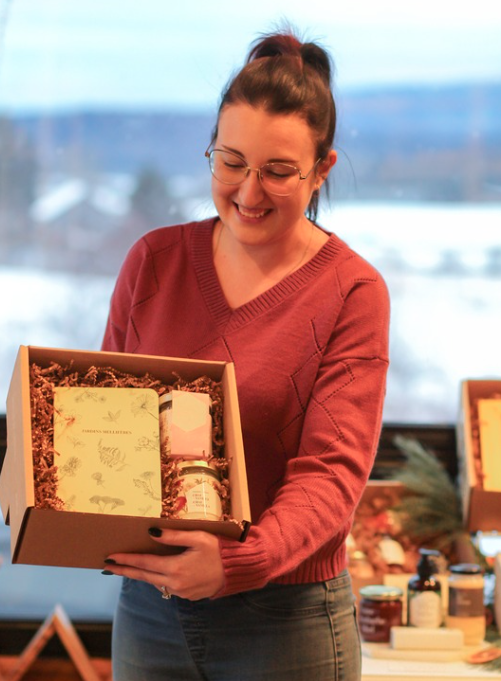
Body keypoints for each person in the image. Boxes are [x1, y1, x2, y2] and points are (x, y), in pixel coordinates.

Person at [101, 28, 390, 681]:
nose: (249, 193)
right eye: (231, 162)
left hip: (285, 619)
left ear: (322, 170)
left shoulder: (352, 291)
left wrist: (238, 561)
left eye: (278, 172)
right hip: (150, 609)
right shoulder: (153, 261)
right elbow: (106, 421)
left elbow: (331, 473)